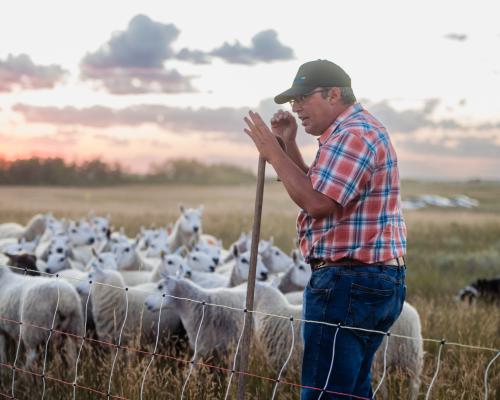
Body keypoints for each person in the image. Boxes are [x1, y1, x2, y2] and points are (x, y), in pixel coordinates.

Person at [243, 59, 407, 399]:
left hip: (348, 282)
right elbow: (320, 189)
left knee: (325, 393)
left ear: (334, 94)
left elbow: (318, 204)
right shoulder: (350, 132)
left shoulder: (353, 135)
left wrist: (272, 152)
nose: (297, 107)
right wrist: (287, 143)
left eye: (304, 97)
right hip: (364, 281)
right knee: (351, 391)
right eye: (293, 100)